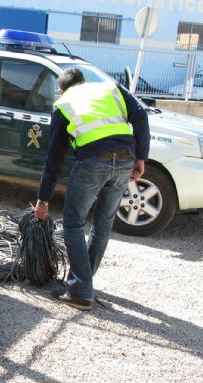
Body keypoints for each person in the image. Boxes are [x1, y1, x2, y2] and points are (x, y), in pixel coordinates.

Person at [34, 68, 150, 310]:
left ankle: (80, 291)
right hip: (125, 159)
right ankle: (84, 281)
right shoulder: (110, 88)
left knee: (73, 224)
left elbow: (54, 157)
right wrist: (141, 158)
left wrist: (43, 200)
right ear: (84, 82)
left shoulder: (63, 103)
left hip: (93, 162)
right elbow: (140, 116)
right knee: (103, 223)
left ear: (62, 89)